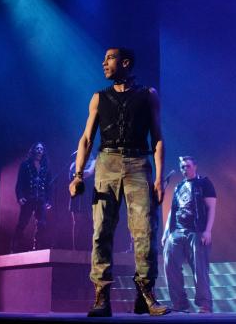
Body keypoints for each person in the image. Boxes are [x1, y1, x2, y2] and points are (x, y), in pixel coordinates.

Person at [69, 47, 169, 317]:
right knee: (102, 230)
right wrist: (78, 175)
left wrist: (159, 178)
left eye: (110, 58)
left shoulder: (148, 95)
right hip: (107, 163)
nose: (104, 63)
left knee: (145, 231)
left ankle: (145, 293)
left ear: (125, 63)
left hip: (138, 163)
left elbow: (157, 137)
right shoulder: (99, 97)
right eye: (103, 59)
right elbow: (87, 138)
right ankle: (101, 296)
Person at [162, 156, 216, 313]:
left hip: (197, 231)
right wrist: (166, 232)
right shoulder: (178, 186)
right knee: (169, 264)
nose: (184, 169)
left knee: (200, 269)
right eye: (182, 167)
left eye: (187, 166)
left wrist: (207, 230)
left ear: (195, 166)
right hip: (177, 232)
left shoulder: (204, 183)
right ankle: (179, 303)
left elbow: (212, 208)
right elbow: (173, 210)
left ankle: (205, 304)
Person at [11, 142, 52, 252]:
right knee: (22, 223)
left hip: (41, 200)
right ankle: (14, 246)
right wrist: (20, 196)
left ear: (43, 152)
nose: (39, 150)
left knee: (42, 224)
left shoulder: (46, 167)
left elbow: (49, 185)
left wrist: (49, 200)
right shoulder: (25, 165)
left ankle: (37, 246)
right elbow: (19, 182)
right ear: (33, 150)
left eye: (41, 149)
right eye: (37, 148)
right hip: (29, 198)